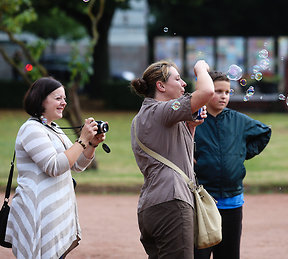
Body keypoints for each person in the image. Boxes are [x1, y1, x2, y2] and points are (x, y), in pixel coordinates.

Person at [5, 77, 106, 258]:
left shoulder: (54, 128)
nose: (64, 103)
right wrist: (82, 140)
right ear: (41, 99)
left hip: (54, 216)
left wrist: (91, 145)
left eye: (64, 98)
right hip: (38, 214)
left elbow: (76, 164)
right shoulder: (31, 129)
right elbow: (54, 166)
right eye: (58, 98)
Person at [130, 60, 214, 259]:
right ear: (161, 86)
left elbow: (179, 157)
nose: (184, 84)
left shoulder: (144, 116)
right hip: (172, 204)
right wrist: (201, 68)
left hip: (153, 205)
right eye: (178, 79)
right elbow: (207, 92)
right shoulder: (162, 110)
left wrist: (191, 127)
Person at [193, 71, 271, 259]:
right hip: (202, 201)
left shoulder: (238, 120)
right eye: (218, 91)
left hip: (232, 201)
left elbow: (264, 132)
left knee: (229, 254)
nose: (223, 96)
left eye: (227, 92)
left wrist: (240, 153)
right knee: (198, 254)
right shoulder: (193, 120)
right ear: (206, 91)